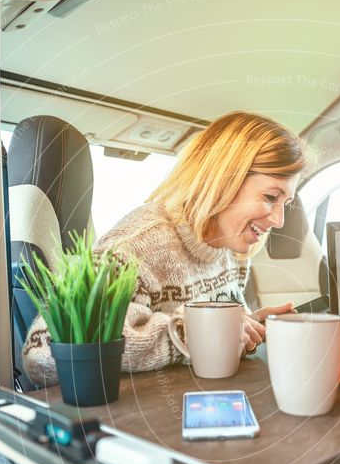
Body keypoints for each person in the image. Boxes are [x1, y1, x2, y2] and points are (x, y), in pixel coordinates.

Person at [23, 111, 306, 383]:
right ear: (224, 180)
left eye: (286, 203)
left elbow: (211, 334)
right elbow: (42, 352)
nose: (279, 221)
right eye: (270, 196)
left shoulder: (231, 247)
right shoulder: (136, 245)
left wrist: (249, 324)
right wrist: (188, 335)